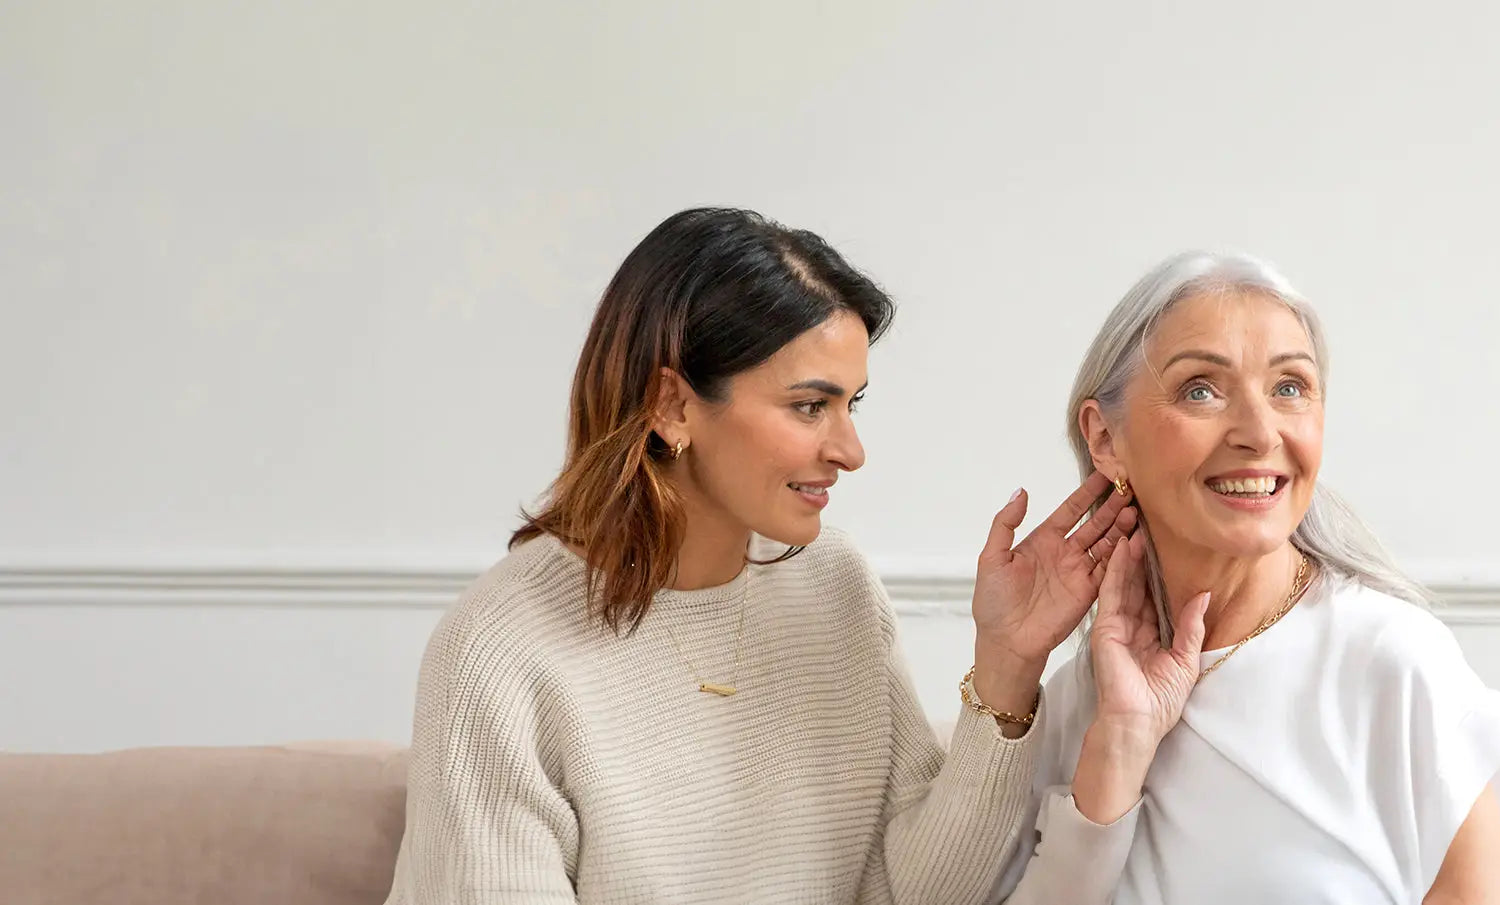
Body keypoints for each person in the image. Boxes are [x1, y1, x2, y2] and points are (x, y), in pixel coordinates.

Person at [382, 207, 1134, 905]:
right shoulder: (502, 649)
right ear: (672, 405)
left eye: (852, 404)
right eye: (810, 406)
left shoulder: (834, 586)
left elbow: (916, 891)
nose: (850, 450)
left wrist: (1006, 658)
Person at [990, 252, 1500, 904]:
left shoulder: (1392, 662)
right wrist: (1116, 753)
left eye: (1289, 387)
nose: (1259, 432)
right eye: (1201, 388)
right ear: (1105, 437)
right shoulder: (1081, 700)